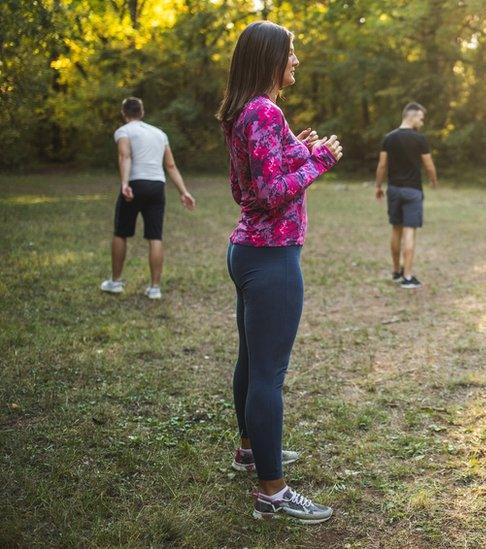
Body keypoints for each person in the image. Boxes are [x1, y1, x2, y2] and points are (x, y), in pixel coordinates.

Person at [216, 20, 343, 524]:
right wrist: (321, 161)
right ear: (270, 58)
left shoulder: (242, 110)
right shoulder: (265, 111)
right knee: (268, 375)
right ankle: (273, 491)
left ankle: (250, 450)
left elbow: (252, 182)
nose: (296, 61)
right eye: (290, 53)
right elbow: (271, 193)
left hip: (246, 250)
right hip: (271, 257)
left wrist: (301, 150)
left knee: (251, 362)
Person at [99, 97, 195, 299]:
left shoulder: (124, 131)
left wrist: (125, 183)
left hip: (135, 184)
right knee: (155, 236)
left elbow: (125, 156)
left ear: (124, 113)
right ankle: (155, 288)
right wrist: (184, 191)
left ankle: (115, 283)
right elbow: (170, 166)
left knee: (121, 232)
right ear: (141, 112)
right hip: (157, 186)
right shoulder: (160, 134)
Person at [374, 102, 437, 289]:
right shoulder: (420, 139)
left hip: (393, 190)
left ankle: (396, 272)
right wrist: (433, 180)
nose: (422, 122)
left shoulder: (389, 138)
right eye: (421, 118)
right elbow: (429, 165)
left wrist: (378, 185)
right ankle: (408, 277)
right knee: (409, 232)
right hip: (413, 191)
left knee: (396, 229)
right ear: (412, 115)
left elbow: (382, 166)